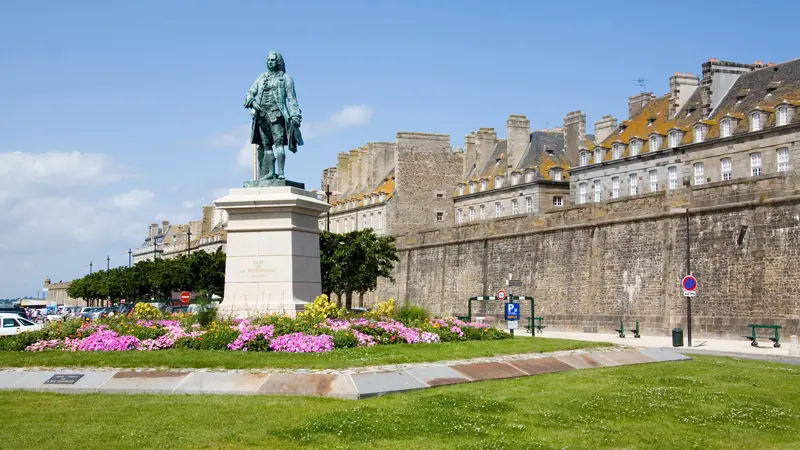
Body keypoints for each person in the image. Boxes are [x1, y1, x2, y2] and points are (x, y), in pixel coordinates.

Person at [243, 51, 303, 180]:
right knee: (266, 146)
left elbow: (292, 99)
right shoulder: (261, 78)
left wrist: (295, 116)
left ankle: (280, 173)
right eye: (268, 60)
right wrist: (253, 102)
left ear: (278, 62)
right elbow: (249, 94)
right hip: (262, 117)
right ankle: (270, 173)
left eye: (273, 60)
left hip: (277, 115)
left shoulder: (286, 78)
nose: (270, 62)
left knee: (279, 145)